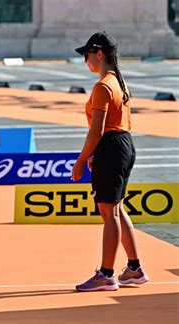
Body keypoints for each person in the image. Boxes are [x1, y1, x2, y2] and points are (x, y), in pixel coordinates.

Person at [71, 31, 149, 292]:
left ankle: (106, 274)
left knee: (109, 211)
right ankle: (134, 269)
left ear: (99, 54)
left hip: (112, 146)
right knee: (116, 209)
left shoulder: (103, 85)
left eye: (87, 55)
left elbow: (97, 129)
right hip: (124, 145)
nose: (85, 61)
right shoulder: (118, 81)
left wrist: (82, 159)